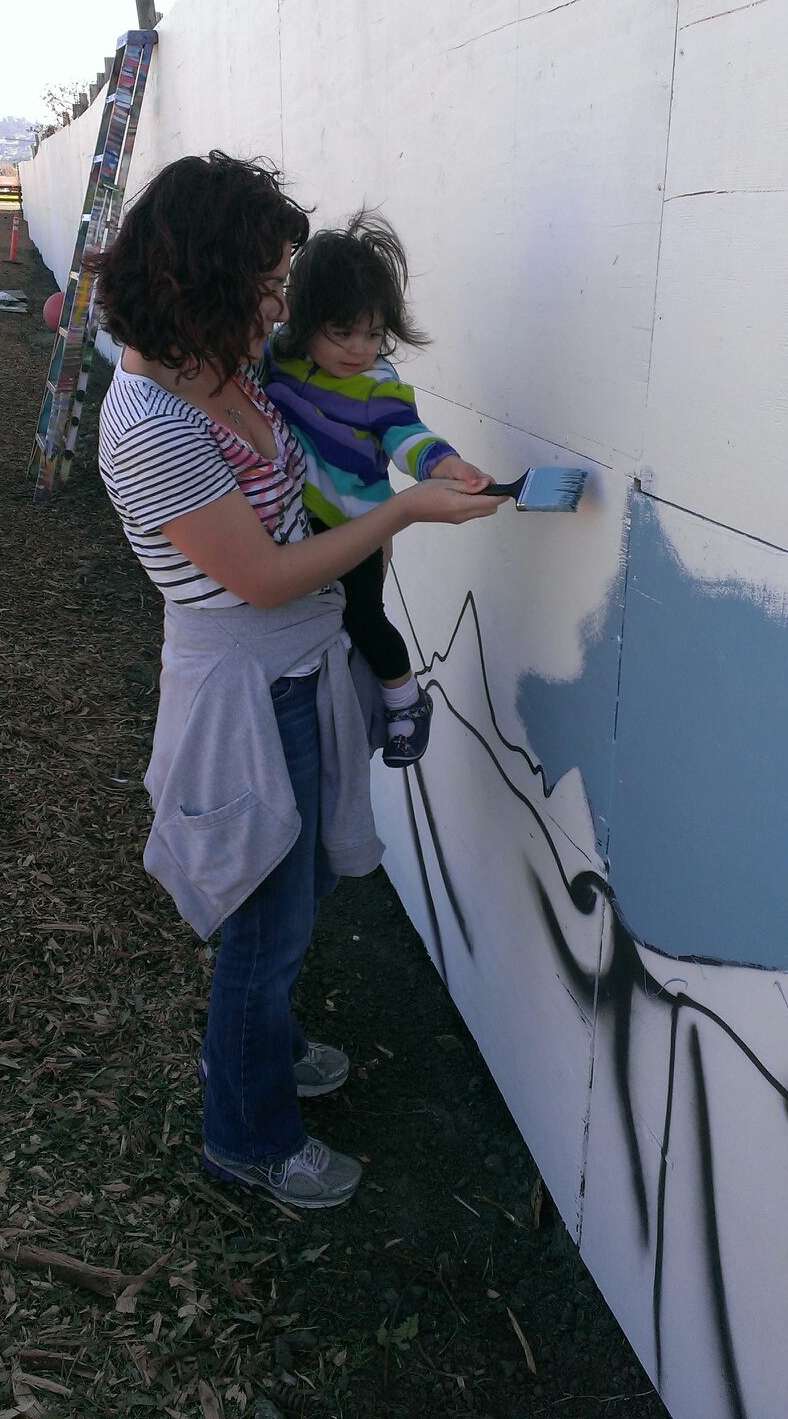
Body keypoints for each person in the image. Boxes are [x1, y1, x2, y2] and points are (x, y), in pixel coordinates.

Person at [94, 152, 502, 1210]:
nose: (284, 304)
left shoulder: (230, 362)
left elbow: (365, 407)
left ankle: (263, 1040)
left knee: (303, 886)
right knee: (265, 922)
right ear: (206, 278)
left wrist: (427, 459)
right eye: (268, 282)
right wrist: (402, 515)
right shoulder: (151, 423)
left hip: (305, 662)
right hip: (246, 682)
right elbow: (265, 576)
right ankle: (248, 1136)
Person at [263, 211, 488, 767]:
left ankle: (405, 699)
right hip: (296, 522)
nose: (359, 349)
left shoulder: (377, 385)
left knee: (363, 616)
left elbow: (407, 435)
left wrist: (444, 464)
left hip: (357, 530)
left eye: (373, 333)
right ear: (305, 317)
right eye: (341, 332)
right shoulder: (278, 359)